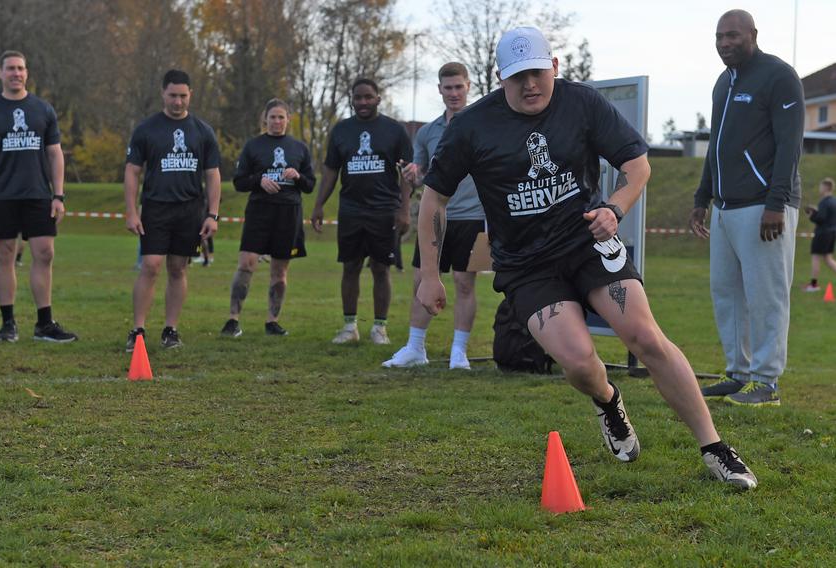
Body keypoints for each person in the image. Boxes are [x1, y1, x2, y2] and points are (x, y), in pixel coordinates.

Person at [417, 26, 757, 489]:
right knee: (578, 363)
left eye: (538, 72)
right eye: (518, 77)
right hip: (526, 265)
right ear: (500, 79)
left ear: (554, 67)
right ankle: (608, 402)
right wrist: (430, 276)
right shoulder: (472, 127)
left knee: (645, 336)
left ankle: (715, 448)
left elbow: (638, 167)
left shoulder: (582, 104)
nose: (530, 84)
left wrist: (614, 208)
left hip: (588, 243)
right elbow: (433, 199)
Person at [690, 10, 804, 407]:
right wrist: (702, 198)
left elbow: (790, 145)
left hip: (764, 207)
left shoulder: (778, 76)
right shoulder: (723, 83)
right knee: (727, 293)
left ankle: (767, 382)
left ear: (753, 35)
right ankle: (738, 374)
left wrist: (777, 202)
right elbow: (716, 149)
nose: (725, 43)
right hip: (724, 207)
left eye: (733, 36)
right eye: (719, 36)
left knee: (766, 296)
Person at [0, 50, 77, 343]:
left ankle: (44, 324)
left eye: (20, 68)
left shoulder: (43, 110)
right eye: (10, 69)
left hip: (38, 195)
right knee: (4, 255)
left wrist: (59, 195)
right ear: (0, 73)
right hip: (0, 195)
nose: (16, 73)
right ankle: (8, 323)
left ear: (26, 73)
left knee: (45, 253)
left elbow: (55, 154)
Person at [383, 62, 486, 370]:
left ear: (468, 87)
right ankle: (415, 348)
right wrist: (412, 176)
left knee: (464, 283)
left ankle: (459, 353)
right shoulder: (427, 133)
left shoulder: (483, 125)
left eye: (459, 87)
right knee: (421, 280)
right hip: (435, 219)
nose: (453, 93)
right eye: (448, 87)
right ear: (439, 89)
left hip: (473, 216)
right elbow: (420, 177)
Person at [124, 69, 221, 351]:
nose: (177, 102)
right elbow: (132, 171)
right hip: (156, 208)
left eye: (182, 96)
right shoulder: (146, 129)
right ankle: (138, 329)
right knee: (151, 266)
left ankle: (171, 329)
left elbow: (212, 174)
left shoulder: (203, 131)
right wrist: (131, 211)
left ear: (190, 94)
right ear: (163, 94)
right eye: (172, 96)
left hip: (190, 209)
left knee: (178, 268)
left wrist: (212, 214)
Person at [310, 78, 413, 344]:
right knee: (350, 266)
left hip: (384, 210)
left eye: (368, 97)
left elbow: (406, 173)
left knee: (381, 268)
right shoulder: (342, 130)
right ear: (352, 99)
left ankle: (379, 327)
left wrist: (404, 209)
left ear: (378, 98)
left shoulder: (394, 130)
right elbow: (331, 169)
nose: (363, 102)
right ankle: (349, 327)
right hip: (352, 210)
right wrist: (319, 203)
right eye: (358, 98)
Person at [222, 99, 315, 338]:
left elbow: (310, 185)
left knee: (280, 271)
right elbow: (239, 181)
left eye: (281, 117)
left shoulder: (300, 148)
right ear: (265, 119)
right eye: (272, 117)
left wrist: (297, 177)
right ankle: (233, 320)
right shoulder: (253, 146)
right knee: (246, 264)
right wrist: (259, 180)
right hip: (259, 212)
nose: (276, 121)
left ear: (288, 119)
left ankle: (272, 321)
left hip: (288, 214)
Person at [802, 178, 836, 291]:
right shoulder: (834, 201)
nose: (819, 189)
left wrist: (811, 215)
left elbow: (821, 219)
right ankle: (813, 284)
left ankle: (813, 285)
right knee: (828, 259)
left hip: (822, 233)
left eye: (821, 186)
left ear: (826, 187)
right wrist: (817, 212)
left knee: (816, 257)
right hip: (831, 233)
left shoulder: (824, 201)